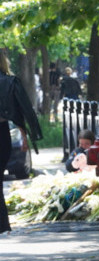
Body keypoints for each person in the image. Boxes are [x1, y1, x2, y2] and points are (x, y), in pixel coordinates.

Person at [0, 52, 43, 234]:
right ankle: (2, 226)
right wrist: (26, 136)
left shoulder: (10, 82)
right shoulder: (10, 82)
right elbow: (23, 110)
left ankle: (2, 226)